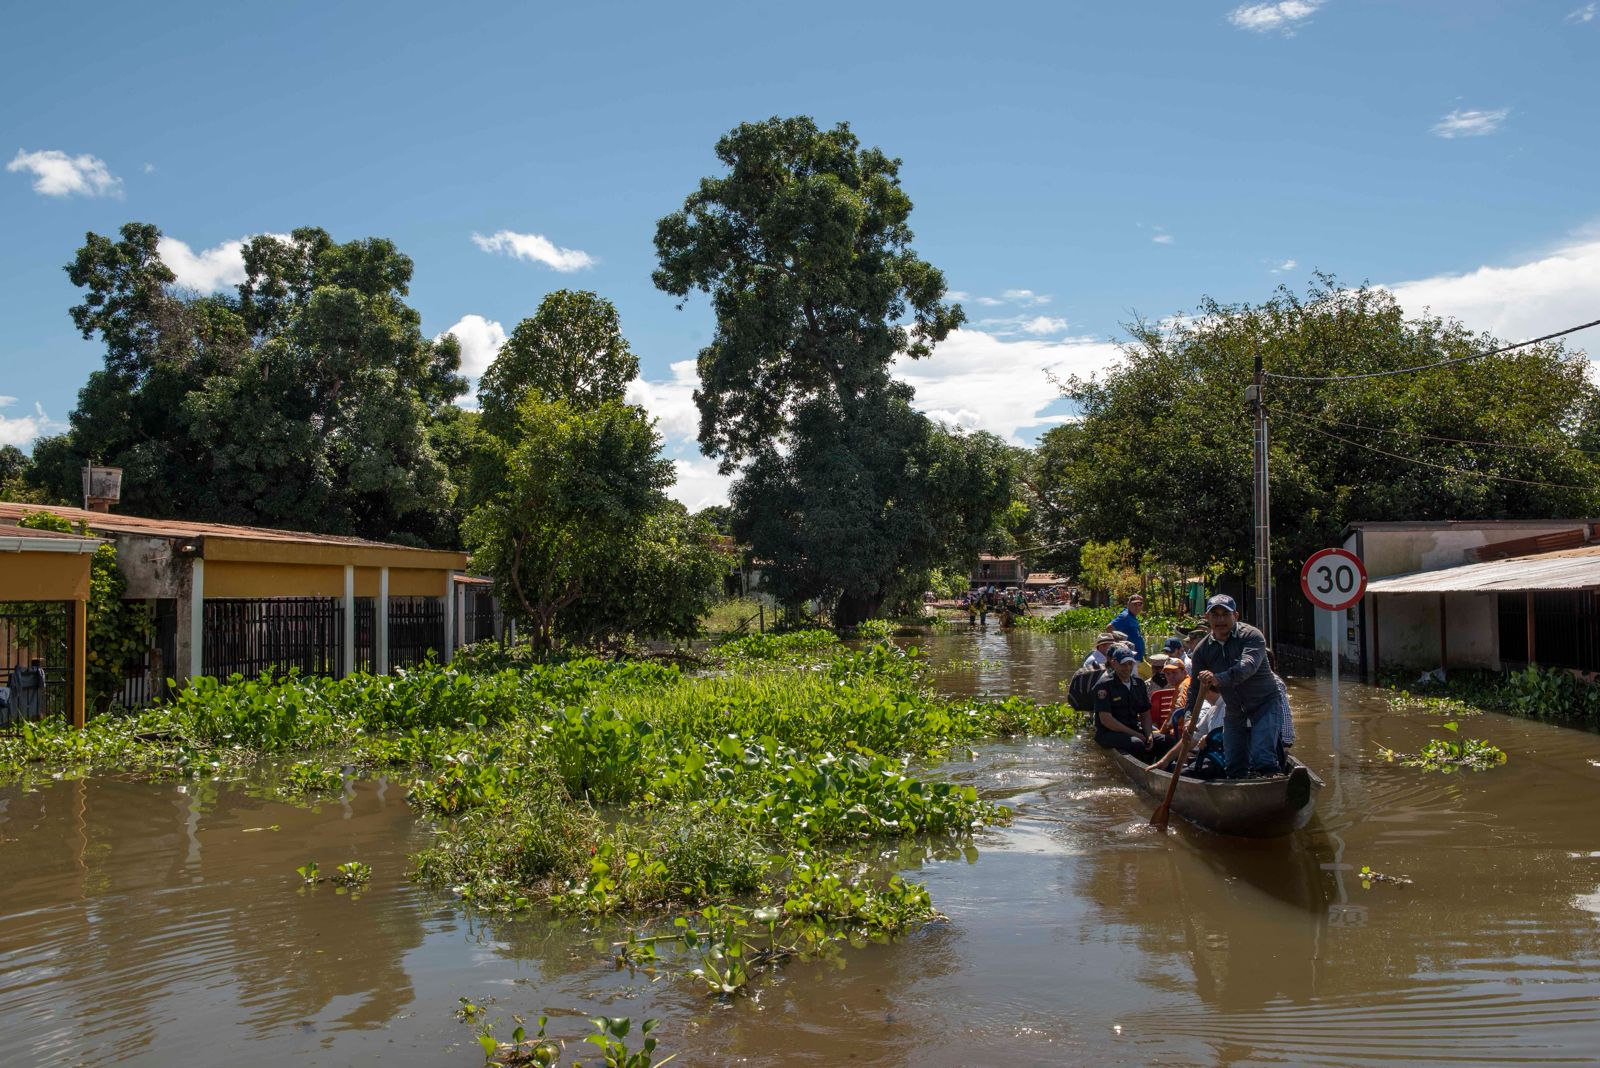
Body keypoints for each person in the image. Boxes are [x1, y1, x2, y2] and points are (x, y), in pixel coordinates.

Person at [1185, 594, 1290, 778]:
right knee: (1233, 762)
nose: (1220, 619)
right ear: (1207, 618)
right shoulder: (1202, 650)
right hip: (1234, 709)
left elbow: (1246, 667)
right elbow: (1194, 687)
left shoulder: (1251, 636)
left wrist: (1218, 679)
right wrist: (1188, 718)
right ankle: (1237, 791)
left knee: (1263, 756)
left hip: (1264, 703)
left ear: (1235, 616)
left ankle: (1270, 780)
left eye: (1225, 614)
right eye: (1215, 615)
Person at [1092, 646, 1153, 755]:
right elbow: (1106, 720)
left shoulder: (1138, 683)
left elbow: (1145, 714)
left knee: (1166, 740)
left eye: (1130, 664)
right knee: (1137, 743)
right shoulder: (1104, 685)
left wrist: (1149, 735)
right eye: (1123, 664)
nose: (1127, 668)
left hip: (1133, 729)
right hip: (1109, 733)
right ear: (1114, 663)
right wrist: (1136, 734)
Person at [1109, 595, 1146, 664]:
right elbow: (1109, 628)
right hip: (1130, 658)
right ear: (1128, 604)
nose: (1137, 607)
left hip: (1137, 657)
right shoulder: (1125, 616)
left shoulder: (1132, 616)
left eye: (1140, 604)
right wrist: (1118, 644)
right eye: (1135, 604)